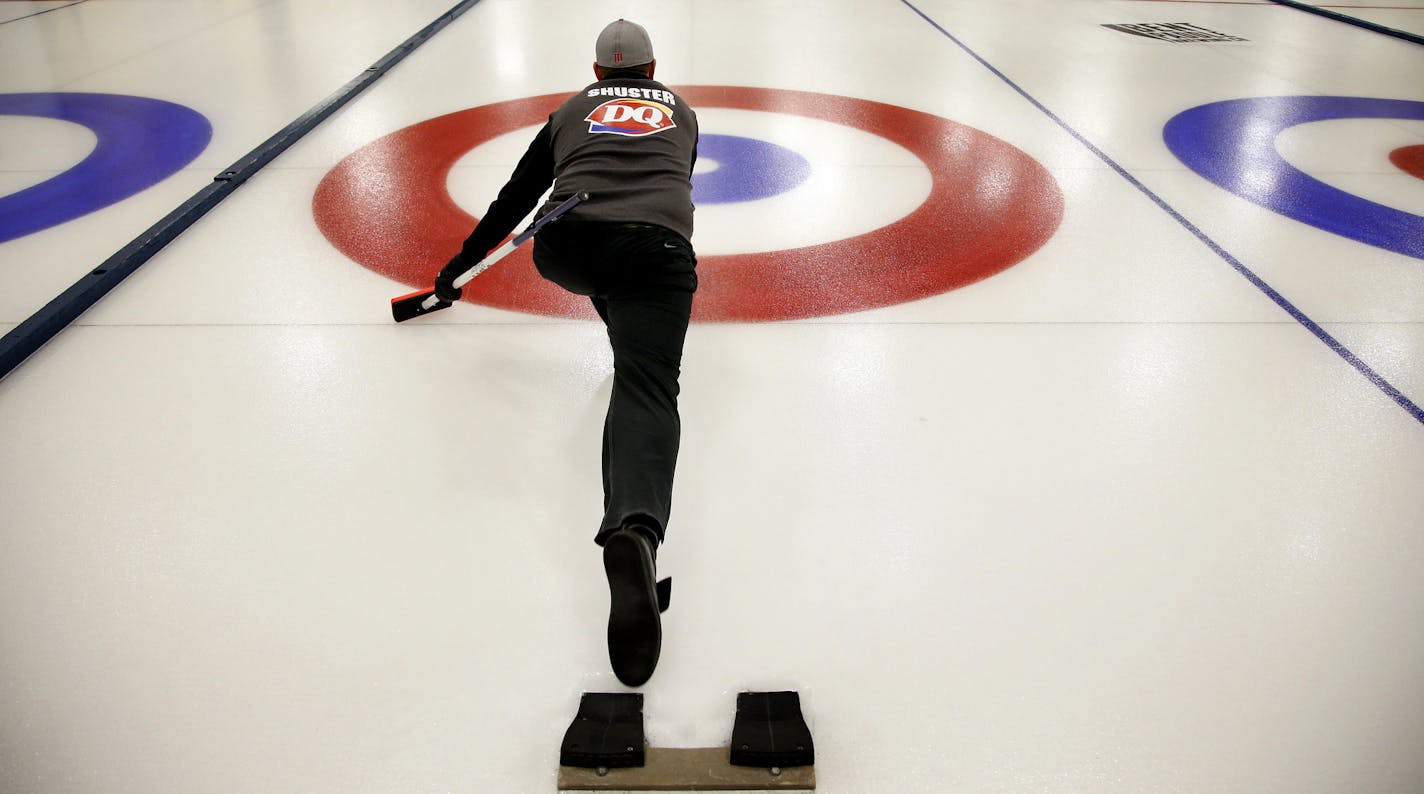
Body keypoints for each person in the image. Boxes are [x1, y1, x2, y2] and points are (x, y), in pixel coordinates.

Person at [434, 19, 698, 687]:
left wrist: (456, 267)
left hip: (568, 243)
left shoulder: (570, 109)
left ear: (597, 73)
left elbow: (516, 198)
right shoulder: (685, 113)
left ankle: (622, 327)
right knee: (645, 386)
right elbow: (673, 184)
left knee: (610, 276)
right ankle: (633, 531)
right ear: (654, 69)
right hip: (655, 251)